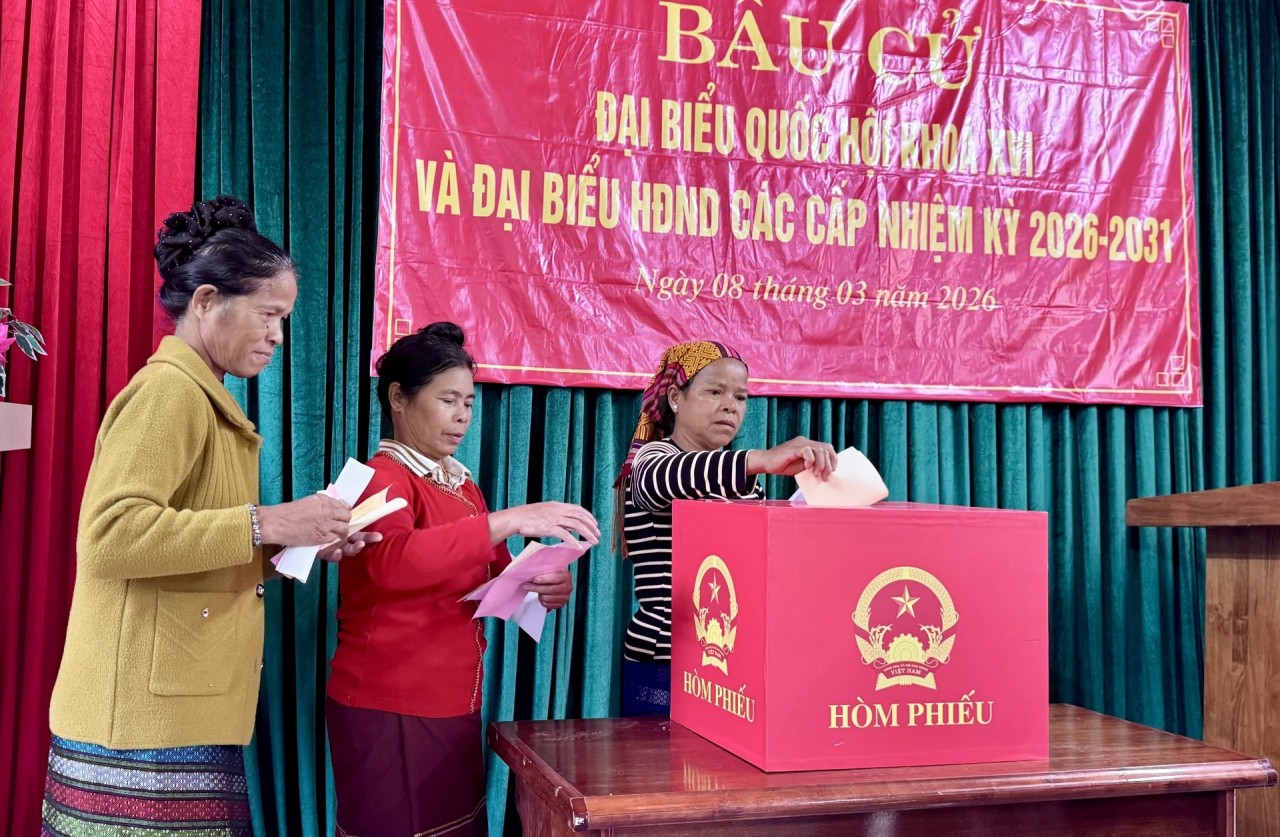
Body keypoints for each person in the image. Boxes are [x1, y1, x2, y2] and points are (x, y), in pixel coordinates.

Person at [42, 196, 378, 836]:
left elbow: (185, 546)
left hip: (173, 713)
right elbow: (111, 538)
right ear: (203, 302)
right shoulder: (169, 393)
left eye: (284, 319)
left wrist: (295, 547)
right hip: (142, 729)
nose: (279, 336)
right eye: (269, 315)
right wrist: (267, 523)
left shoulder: (204, 398)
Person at [326, 322, 599, 837]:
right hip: (392, 702)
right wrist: (512, 519)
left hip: (451, 698)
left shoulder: (461, 484)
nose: (462, 416)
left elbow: (497, 571)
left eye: (469, 403)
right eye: (448, 400)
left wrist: (545, 584)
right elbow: (394, 563)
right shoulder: (381, 475)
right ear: (399, 398)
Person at [615, 340, 837, 716]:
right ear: (674, 398)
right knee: (658, 770)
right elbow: (662, 482)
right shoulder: (655, 458)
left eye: (740, 397)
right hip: (665, 657)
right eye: (714, 391)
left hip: (730, 660)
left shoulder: (744, 481)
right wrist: (760, 460)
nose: (730, 406)